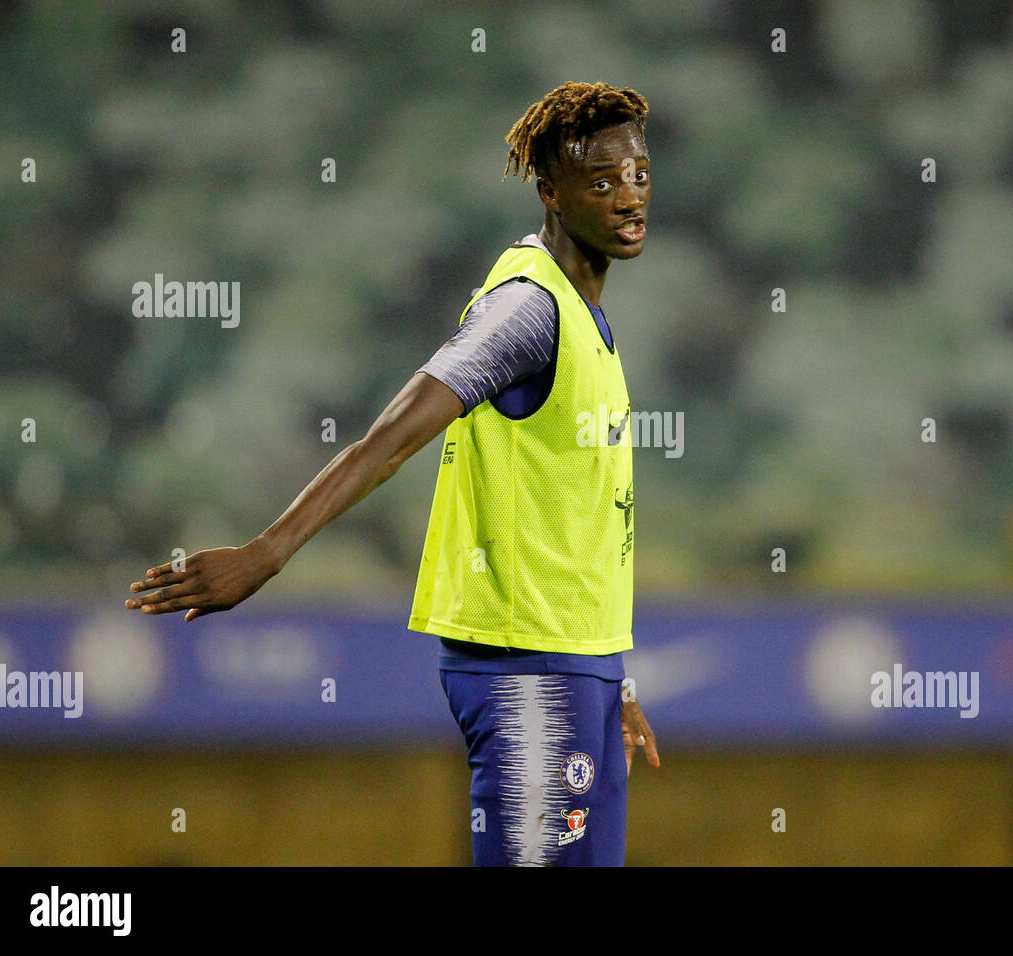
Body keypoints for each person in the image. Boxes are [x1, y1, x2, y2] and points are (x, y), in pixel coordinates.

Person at [125, 81, 661, 866]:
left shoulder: (584, 316)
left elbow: (577, 515)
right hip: (528, 672)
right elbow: (390, 439)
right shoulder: (526, 311)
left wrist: (613, 676)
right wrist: (269, 550)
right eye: (602, 181)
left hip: (575, 667)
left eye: (640, 174)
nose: (629, 197)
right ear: (551, 193)